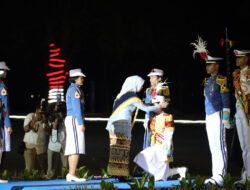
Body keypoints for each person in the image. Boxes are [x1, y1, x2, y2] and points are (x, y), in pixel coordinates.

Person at [106, 75, 168, 180]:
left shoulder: (121, 95)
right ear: (134, 84)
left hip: (113, 125)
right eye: (141, 85)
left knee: (115, 149)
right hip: (122, 124)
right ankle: (122, 175)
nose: (142, 87)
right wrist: (159, 106)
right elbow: (145, 108)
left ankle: (115, 172)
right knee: (123, 148)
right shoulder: (132, 96)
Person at [191, 37, 230, 184]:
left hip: (219, 113)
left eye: (210, 64)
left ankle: (222, 175)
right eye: (207, 64)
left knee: (220, 144)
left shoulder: (221, 79)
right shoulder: (207, 81)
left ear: (217, 66)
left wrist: (226, 117)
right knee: (213, 145)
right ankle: (216, 174)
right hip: (209, 115)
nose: (207, 67)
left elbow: (225, 99)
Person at [134, 95, 186, 181]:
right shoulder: (154, 118)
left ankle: (161, 178)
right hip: (156, 145)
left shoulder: (167, 117)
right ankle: (179, 170)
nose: (153, 107)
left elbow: (169, 134)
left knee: (162, 170)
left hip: (164, 145)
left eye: (155, 105)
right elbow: (152, 131)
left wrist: (166, 148)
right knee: (142, 158)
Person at [64, 68, 86, 182]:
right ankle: (72, 173)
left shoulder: (72, 89)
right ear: (75, 78)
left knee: (73, 147)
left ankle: (71, 173)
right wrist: (81, 122)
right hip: (75, 119)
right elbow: (77, 108)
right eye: (81, 77)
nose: (82, 79)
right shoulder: (75, 90)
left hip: (72, 119)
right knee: (76, 147)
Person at [232, 49, 250, 184]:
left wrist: (239, 88)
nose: (237, 60)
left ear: (247, 59)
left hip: (247, 111)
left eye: (240, 58)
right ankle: (246, 173)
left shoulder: (249, 73)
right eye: (237, 58)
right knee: (243, 144)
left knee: (248, 145)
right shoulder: (236, 73)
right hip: (239, 110)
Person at [143, 68, 170, 149]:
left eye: (153, 77)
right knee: (148, 142)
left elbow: (164, 105)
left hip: (158, 119)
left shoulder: (163, 89)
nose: (150, 80)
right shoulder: (149, 90)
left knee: (157, 142)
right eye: (150, 77)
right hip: (149, 118)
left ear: (159, 78)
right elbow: (146, 103)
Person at [23, 103, 50, 173]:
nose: (41, 114)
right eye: (39, 112)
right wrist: (35, 119)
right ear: (36, 111)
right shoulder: (30, 116)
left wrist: (46, 121)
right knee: (29, 168)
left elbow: (49, 132)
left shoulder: (46, 119)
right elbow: (26, 129)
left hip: (41, 147)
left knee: (43, 169)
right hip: (29, 145)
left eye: (42, 112)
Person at [46, 101, 68, 179]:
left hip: (63, 144)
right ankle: (49, 177)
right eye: (56, 107)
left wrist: (62, 117)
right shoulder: (52, 117)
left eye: (59, 107)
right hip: (52, 144)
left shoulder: (67, 117)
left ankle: (64, 177)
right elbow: (49, 131)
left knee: (65, 166)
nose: (57, 109)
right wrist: (55, 121)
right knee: (50, 167)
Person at [0, 61, 12, 183]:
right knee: (2, 149)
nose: (6, 72)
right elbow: (4, 108)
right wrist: (8, 125)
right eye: (5, 70)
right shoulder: (2, 87)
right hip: (1, 123)